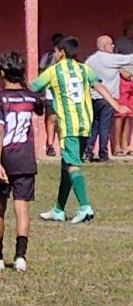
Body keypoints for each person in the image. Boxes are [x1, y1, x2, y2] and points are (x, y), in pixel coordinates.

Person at [33, 36, 128, 224]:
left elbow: (34, 86)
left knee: (72, 165)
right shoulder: (84, 69)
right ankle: (59, 209)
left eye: (55, 51)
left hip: (69, 126)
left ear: (61, 52)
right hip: (85, 124)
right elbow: (99, 86)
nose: (54, 54)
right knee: (66, 165)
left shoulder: (54, 71)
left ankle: (85, 207)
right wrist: (117, 106)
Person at [0, 51, 44, 273]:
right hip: (26, 158)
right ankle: (20, 257)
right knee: (22, 207)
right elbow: (41, 108)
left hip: (5, 157)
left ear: (3, 72)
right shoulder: (31, 97)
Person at [83, 36, 133, 162]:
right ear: (105, 46)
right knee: (104, 127)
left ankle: (88, 152)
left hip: (92, 97)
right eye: (111, 45)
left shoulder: (90, 59)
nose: (113, 47)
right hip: (107, 98)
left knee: (93, 126)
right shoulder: (111, 59)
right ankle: (103, 153)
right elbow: (129, 59)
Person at [39, 32, 65, 156]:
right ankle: (50, 144)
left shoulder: (68, 59)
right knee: (52, 119)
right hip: (50, 92)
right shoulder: (48, 57)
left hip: (64, 93)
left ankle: (63, 145)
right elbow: (42, 70)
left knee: (62, 120)